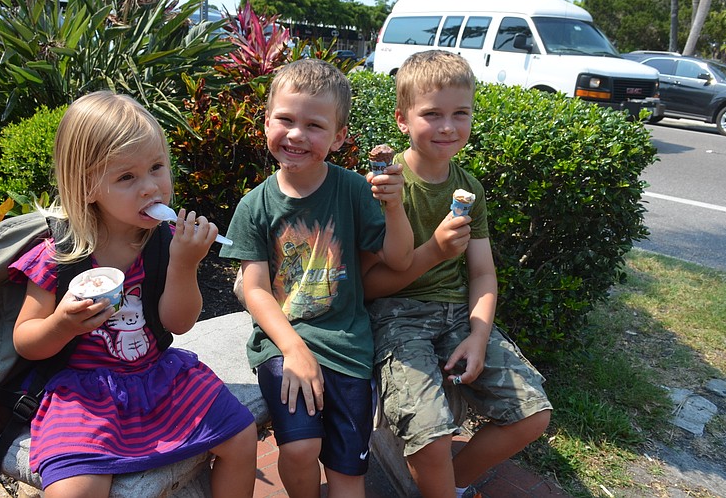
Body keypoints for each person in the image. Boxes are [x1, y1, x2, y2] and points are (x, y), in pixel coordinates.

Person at [9, 91, 257, 498]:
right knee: (72, 491)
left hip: (159, 378)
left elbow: (179, 323)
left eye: (157, 167)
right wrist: (62, 324)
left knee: (242, 437)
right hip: (84, 394)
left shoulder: (166, 242)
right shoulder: (59, 255)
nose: (150, 187)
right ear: (87, 186)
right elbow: (26, 341)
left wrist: (184, 264)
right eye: (127, 177)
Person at [362, 50, 553, 498]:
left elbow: (483, 274)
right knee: (430, 435)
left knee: (532, 415)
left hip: (456, 317)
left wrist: (479, 336)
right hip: (395, 318)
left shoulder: (469, 188)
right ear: (402, 119)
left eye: (460, 113)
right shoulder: (384, 187)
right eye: (432, 114)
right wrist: (434, 251)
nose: (448, 126)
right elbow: (368, 287)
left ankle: (452, 485)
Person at [220, 58, 414, 498]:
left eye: (314, 125)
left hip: (347, 345)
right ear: (266, 122)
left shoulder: (352, 190)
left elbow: (400, 259)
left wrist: (394, 207)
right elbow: (255, 289)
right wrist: (294, 349)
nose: (296, 134)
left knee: (348, 470)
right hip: (282, 341)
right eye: (285, 120)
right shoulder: (254, 207)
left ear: (338, 136)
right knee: (301, 447)